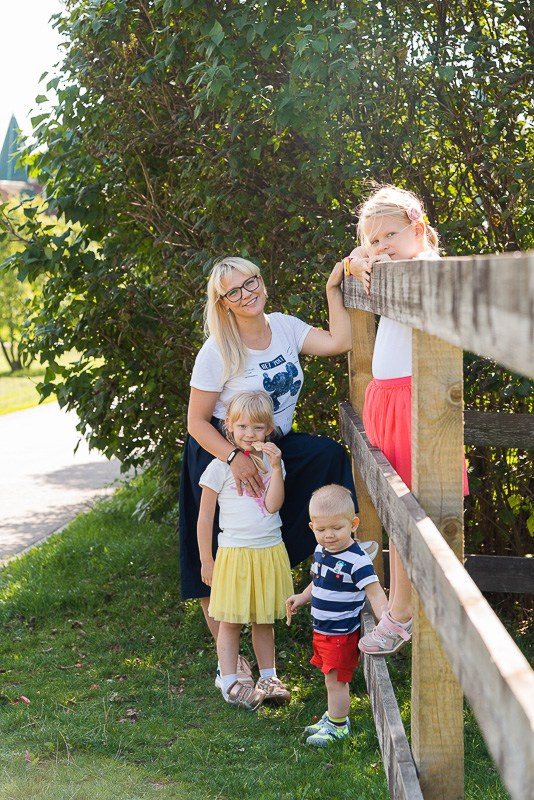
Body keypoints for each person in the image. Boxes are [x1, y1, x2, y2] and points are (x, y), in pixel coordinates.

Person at [179, 255, 359, 684]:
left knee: (328, 456)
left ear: (261, 281)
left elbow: (340, 341)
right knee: (217, 548)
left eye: (251, 282)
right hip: (220, 451)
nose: (247, 294)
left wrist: (332, 289)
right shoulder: (218, 350)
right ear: (223, 303)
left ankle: (323, 554)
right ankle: (230, 663)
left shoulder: (285, 327)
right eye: (234, 291)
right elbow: (196, 422)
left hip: (271, 445)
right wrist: (233, 458)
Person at [344, 184, 469, 656]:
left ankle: (401, 614)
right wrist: (360, 259)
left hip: (414, 400)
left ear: (418, 228)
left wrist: (376, 258)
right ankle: (401, 610)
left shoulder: (425, 267)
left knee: (414, 513)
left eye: (390, 236)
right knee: (396, 512)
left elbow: (431, 264)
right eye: (373, 240)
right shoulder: (387, 265)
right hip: (385, 398)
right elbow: (353, 260)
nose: (381, 247)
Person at [198, 390, 292, 709]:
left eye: (257, 428)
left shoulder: (271, 464)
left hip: (268, 551)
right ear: (229, 425)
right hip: (234, 555)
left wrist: (276, 469)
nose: (249, 434)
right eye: (242, 427)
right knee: (231, 621)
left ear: (269, 430)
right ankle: (230, 682)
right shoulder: (218, 468)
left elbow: (273, 505)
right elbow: (205, 517)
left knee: (264, 620)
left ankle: (268, 677)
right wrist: (206, 560)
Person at [286, 484, 388, 746]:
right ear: (312, 527)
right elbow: (318, 582)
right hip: (322, 629)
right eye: (321, 530)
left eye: (336, 528)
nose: (328, 535)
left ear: (353, 524)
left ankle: (338, 726)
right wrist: (303, 596)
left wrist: (385, 621)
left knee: (336, 681)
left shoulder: (358, 560)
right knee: (329, 677)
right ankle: (334, 716)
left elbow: (375, 593)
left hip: (341, 634)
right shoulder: (321, 551)